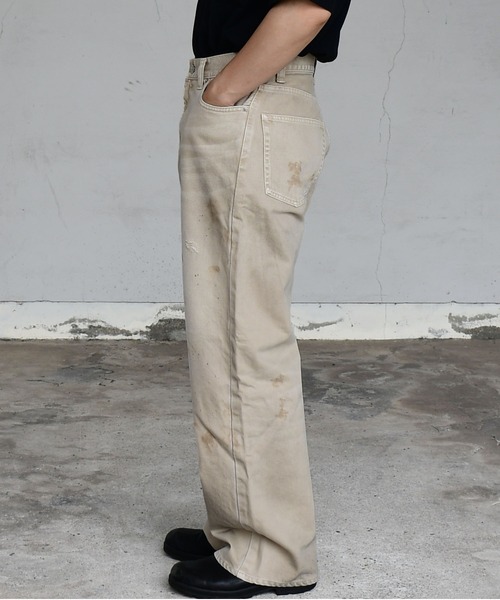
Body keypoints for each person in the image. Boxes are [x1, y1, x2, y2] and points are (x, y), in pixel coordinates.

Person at [165, 0, 351, 597]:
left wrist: (223, 92)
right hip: (248, 96)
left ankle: (274, 555)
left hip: (252, 98)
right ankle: (239, 525)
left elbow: (308, 8)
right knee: (223, 335)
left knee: (246, 336)